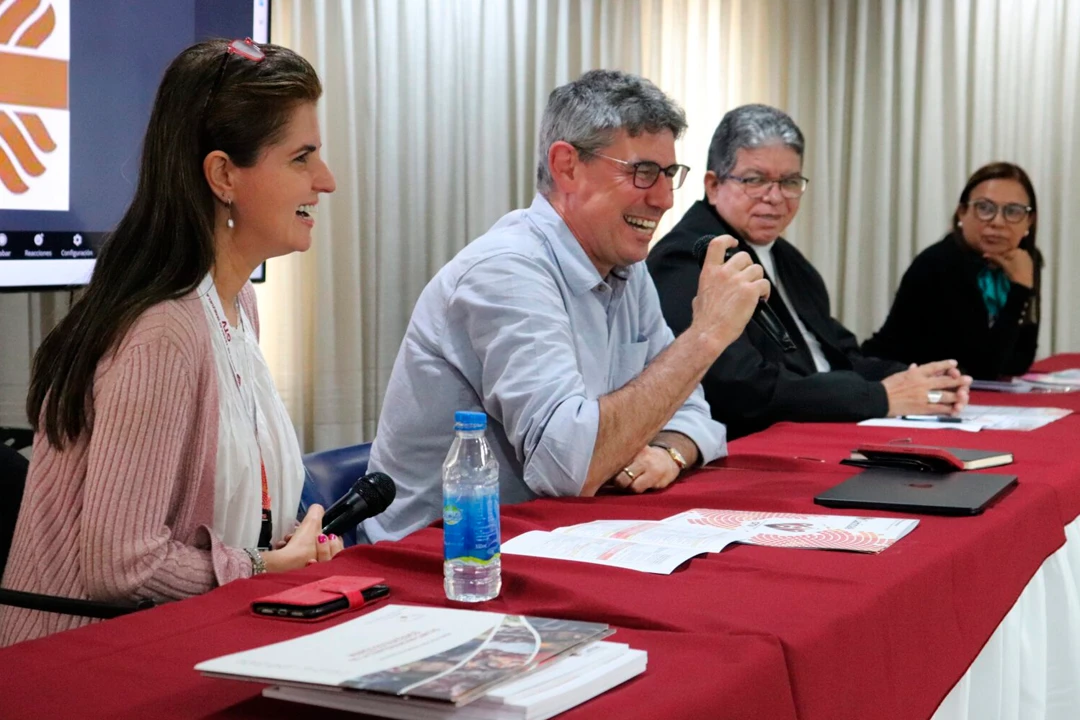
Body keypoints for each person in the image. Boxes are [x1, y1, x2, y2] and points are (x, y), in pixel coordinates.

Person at [1, 39, 341, 647]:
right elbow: (123, 568)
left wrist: (289, 544)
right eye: (302, 158)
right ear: (223, 175)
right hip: (84, 664)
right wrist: (262, 567)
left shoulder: (239, 303)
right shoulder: (165, 331)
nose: (327, 180)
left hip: (178, 637)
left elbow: (215, 513)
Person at [363, 70, 769, 542]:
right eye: (642, 172)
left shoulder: (624, 264)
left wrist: (669, 454)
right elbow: (569, 470)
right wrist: (705, 336)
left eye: (669, 174)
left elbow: (695, 416)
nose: (663, 199)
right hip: (444, 560)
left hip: (555, 537)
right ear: (567, 166)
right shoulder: (508, 271)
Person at [648, 104, 972, 439]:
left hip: (825, 428)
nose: (775, 197)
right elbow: (739, 389)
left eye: (789, 182)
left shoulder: (790, 261)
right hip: (754, 446)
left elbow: (840, 356)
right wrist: (881, 397)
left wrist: (920, 380)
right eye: (755, 180)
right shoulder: (691, 257)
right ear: (713, 186)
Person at [861, 163, 1041, 379]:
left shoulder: (1025, 261)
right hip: (891, 380)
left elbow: (1019, 361)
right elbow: (983, 368)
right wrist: (1020, 290)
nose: (998, 222)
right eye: (985, 208)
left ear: (1029, 221)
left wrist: (1022, 284)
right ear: (962, 213)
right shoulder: (940, 263)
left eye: (1013, 211)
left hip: (956, 387)